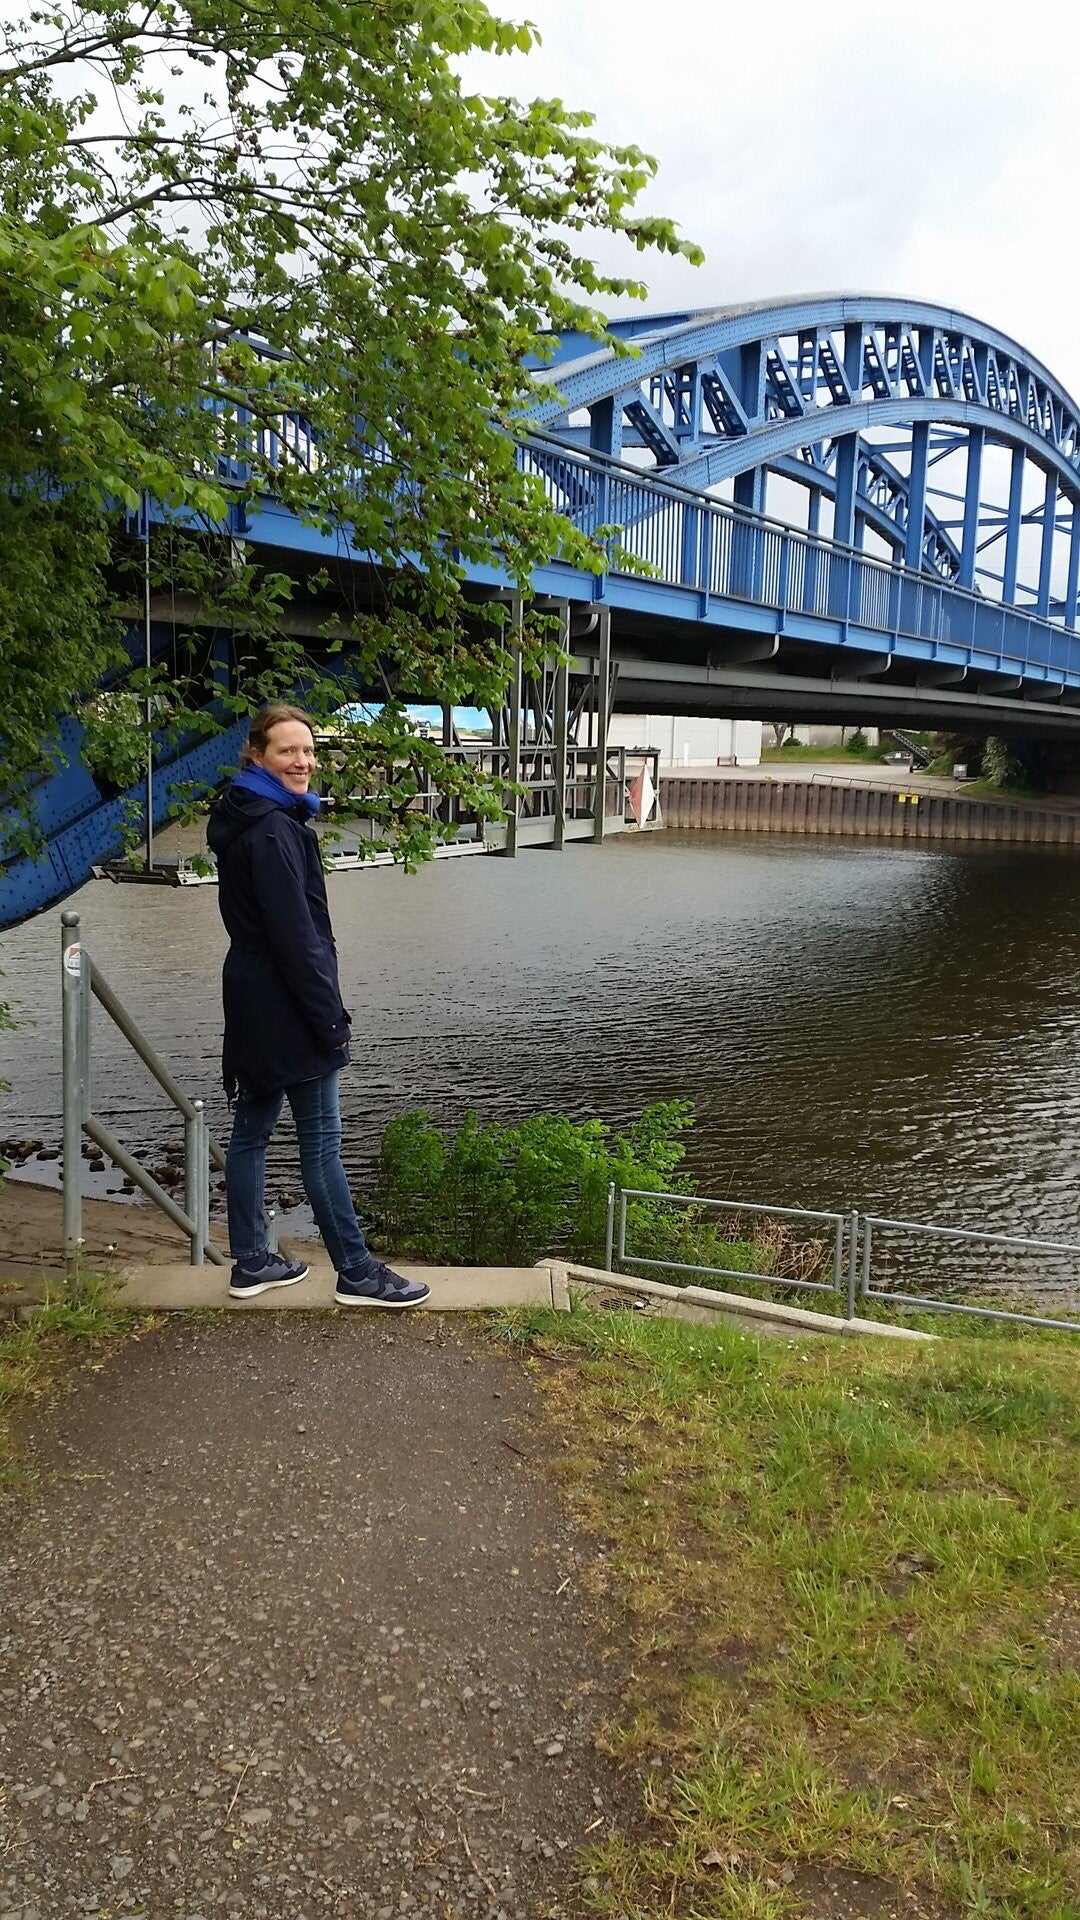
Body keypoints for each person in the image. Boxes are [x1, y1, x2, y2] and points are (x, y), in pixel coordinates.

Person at [207, 704, 430, 1309]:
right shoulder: (277, 829)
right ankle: (357, 1271)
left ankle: (251, 1261)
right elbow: (297, 939)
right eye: (287, 751)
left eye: (308, 750)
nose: (303, 762)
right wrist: (330, 1020)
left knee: (251, 1134)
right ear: (257, 756)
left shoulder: (243, 816)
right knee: (322, 1141)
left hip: (250, 995)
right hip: (287, 1005)